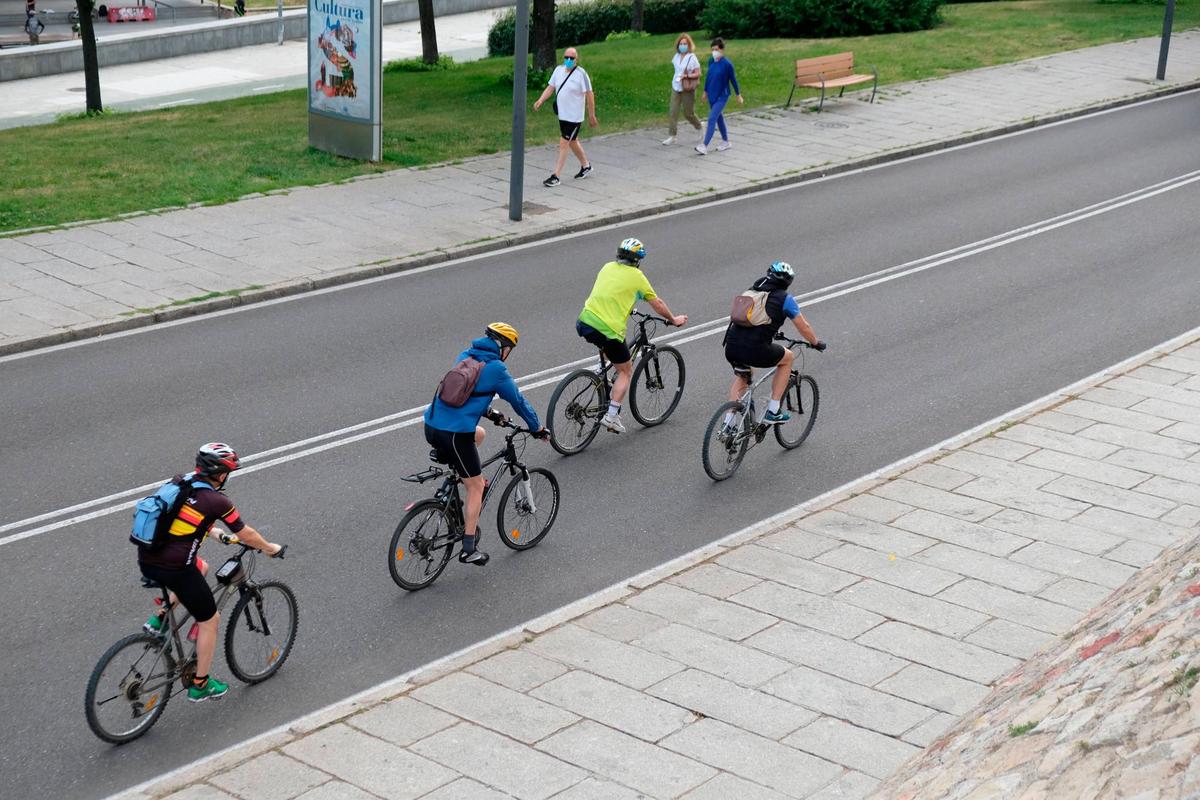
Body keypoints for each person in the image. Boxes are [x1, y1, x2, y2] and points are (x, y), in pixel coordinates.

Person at [139, 443, 284, 703]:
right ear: (219, 473)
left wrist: (217, 535)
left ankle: (158, 621)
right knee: (210, 619)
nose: (228, 476)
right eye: (228, 471)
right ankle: (200, 685)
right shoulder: (216, 500)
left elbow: (182, 521)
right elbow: (246, 534)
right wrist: (269, 548)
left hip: (149, 558)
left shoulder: (182, 482)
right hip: (175, 568)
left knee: (202, 567)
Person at [424, 323, 548, 566]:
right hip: (454, 435)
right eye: (509, 348)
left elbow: (463, 394)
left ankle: (461, 478)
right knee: (476, 486)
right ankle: (469, 549)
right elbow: (519, 402)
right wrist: (537, 428)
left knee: (478, 434)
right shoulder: (496, 368)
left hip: (431, 426)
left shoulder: (466, 356)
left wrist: (491, 414)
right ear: (502, 347)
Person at [576, 238, 688, 434]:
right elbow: (657, 303)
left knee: (607, 347)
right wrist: (673, 319)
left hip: (585, 321)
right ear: (637, 260)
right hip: (608, 329)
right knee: (626, 371)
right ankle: (611, 416)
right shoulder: (637, 276)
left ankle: (599, 375)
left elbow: (611, 293)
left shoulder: (607, 267)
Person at [723, 262, 826, 426]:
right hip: (755, 349)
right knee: (788, 358)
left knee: (743, 376)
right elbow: (803, 326)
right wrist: (815, 342)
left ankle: (728, 424)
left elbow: (754, 319)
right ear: (787, 282)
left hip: (731, 346)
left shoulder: (751, 291)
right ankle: (773, 410)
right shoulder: (785, 299)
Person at [533, 47, 597, 188]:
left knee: (564, 142)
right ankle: (586, 166)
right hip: (563, 115)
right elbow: (551, 87)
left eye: (571, 58)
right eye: (566, 57)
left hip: (574, 117)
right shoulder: (558, 70)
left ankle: (556, 176)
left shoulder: (581, 74)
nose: (568, 60)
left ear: (576, 59)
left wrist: (591, 114)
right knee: (572, 141)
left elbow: (590, 95)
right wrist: (541, 100)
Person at [695, 37, 743, 156]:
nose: (714, 52)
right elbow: (709, 77)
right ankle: (726, 142)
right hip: (712, 94)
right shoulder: (711, 61)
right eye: (712, 49)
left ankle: (704, 145)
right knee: (719, 118)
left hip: (722, 96)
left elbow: (733, 80)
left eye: (716, 49)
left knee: (712, 118)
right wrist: (705, 92)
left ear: (722, 50)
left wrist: (738, 95)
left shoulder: (727, 64)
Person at [663, 33, 702, 146]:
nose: (683, 46)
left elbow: (698, 73)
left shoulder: (692, 57)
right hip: (676, 86)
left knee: (688, 113)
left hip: (687, 87)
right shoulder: (676, 56)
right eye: (681, 44)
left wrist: (687, 76)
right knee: (673, 111)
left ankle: (699, 126)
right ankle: (672, 135)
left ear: (689, 45)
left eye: (685, 44)